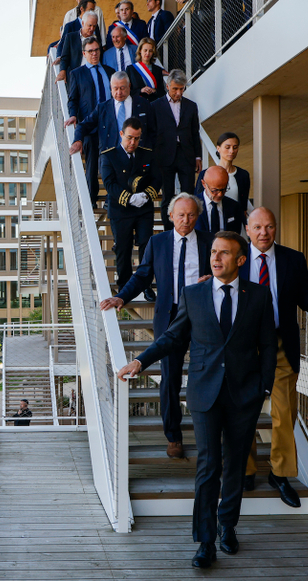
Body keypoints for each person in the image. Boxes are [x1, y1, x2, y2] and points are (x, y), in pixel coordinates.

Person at [118, 231, 277, 569]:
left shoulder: (260, 296)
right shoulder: (193, 294)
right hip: (205, 393)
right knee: (208, 466)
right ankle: (205, 540)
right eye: (213, 252)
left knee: (236, 464)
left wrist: (263, 386)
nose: (216, 258)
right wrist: (140, 361)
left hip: (244, 394)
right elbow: (172, 336)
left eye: (224, 253)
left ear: (240, 260)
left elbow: (268, 346)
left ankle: (227, 526)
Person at [101, 193, 212, 456]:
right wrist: (121, 296)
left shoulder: (210, 241)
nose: (186, 220)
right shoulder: (157, 241)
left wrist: (213, 280)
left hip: (203, 314)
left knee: (205, 374)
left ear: (198, 216)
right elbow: (142, 275)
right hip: (170, 315)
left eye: (191, 215)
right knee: (170, 377)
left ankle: (207, 432)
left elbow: (226, 270)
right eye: (181, 215)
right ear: (171, 216)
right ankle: (173, 435)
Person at [239, 208, 308, 507]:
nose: (264, 232)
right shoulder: (235, 257)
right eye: (257, 227)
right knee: (244, 413)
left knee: (284, 413)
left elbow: (305, 294)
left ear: (275, 228)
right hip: (244, 347)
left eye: (269, 226)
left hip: (281, 344)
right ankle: (246, 470)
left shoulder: (293, 258)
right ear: (248, 229)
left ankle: (280, 475)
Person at [100, 118, 158, 291]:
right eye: (130, 137)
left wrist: (146, 195)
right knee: (123, 249)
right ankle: (125, 286)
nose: (133, 142)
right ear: (121, 134)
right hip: (121, 210)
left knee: (146, 245)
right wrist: (129, 198)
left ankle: (145, 285)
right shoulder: (108, 155)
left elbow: (157, 179)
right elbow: (109, 184)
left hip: (143, 209)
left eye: (137, 138)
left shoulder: (147, 154)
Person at [65, 36, 115, 203]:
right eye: (91, 51)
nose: (94, 54)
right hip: (89, 125)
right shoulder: (77, 74)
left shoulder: (110, 72)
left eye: (97, 50)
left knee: (111, 163)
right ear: (84, 53)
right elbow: (73, 99)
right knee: (92, 166)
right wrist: (73, 115)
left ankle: (111, 198)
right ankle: (91, 200)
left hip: (109, 124)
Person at [152, 70, 201, 230]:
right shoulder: (156, 106)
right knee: (167, 195)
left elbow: (195, 132)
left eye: (182, 89)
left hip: (186, 154)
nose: (179, 92)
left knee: (189, 193)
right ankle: (169, 230)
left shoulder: (191, 106)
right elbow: (151, 132)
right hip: (164, 155)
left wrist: (198, 157)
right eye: (175, 89)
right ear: (167, 86)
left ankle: (189, 227)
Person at [71, 71, 156, 159]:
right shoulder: (102, 108)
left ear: (129, 86)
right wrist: (78, 140)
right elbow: (83, 125)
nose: (119, 92)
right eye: (115, 88)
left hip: (138, 158)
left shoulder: (143, 104)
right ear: (111, 88)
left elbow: (153, 130)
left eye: (122, 88)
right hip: (110, 160)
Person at [197, 132, 252, 222]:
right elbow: (198, 201)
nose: (231, 151)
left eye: (235, 147)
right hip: (212, 220)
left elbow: (243, 207)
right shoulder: (206, 174)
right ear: (218, 148)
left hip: (235, 222)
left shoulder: (243, 175)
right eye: (227, 147)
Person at [195, 166, 242, 235]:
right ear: (204, 184)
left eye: (224, 189)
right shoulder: (192, 206)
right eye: (215, 190)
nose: (220, 194)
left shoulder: (234, 207)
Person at [57, 10, 100, 82]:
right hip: (76, 77)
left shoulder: (96, 39)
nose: (92, 29)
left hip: (93, 77)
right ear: (83, 23)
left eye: (94, 26)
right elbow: (65, 57)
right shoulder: (71, 37)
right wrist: (62, 71)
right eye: (90, 25)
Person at [128, 38, 166, 102]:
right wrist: (140, 90)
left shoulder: (158, 70)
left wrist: (154, 90)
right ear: (140, 50)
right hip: (138, 104)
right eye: (145, 50)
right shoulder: (131, 69)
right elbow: (127, 91)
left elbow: (162, 92)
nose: (147, 53)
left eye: (150, 51)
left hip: (154, 105)